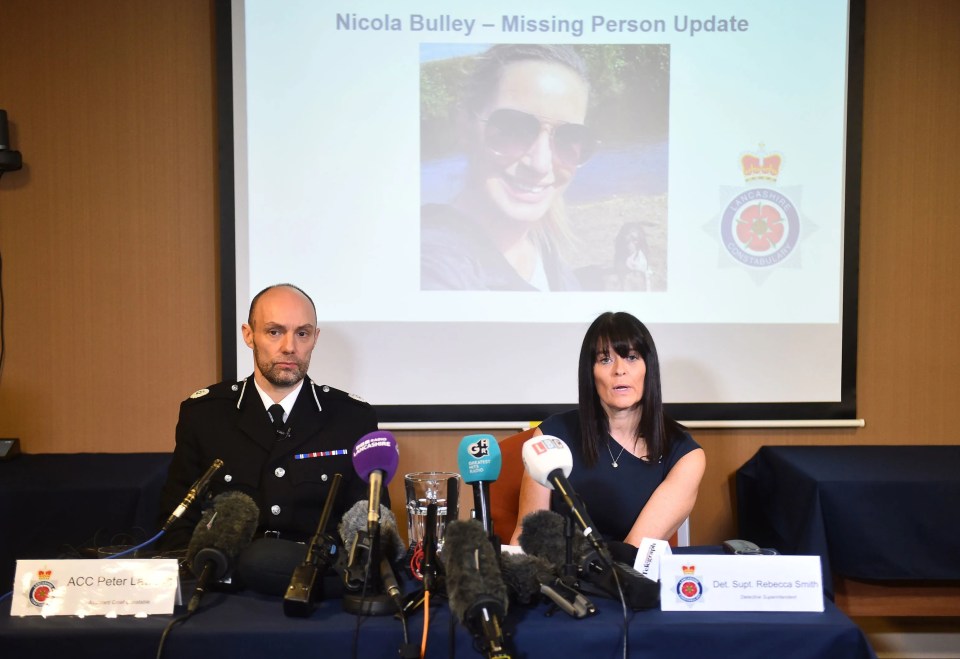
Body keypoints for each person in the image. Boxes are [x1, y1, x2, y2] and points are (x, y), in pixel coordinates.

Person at [157, 283, 387, 549]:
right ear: (249, 335)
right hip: (228, 582)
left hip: (317, 583)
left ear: (315, 338)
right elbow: (176, 525)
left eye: (302, 333)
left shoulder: (352, 420)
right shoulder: (205, 416)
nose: (290, 347)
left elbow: (370, 532)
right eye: (274, 332)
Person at [509, 311, 704, 548]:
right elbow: (527, 535)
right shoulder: (552, 437)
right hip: (557, 578)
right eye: (605, 360)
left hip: (628, 578)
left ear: (648, 369)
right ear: (590, 373)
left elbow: (634, 550)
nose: (620, 370)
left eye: (631, 357)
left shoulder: (684, 455)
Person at [421, 44, 597, 291]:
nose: (540, 164)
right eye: (512, 129)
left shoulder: (546, 254)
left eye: (569, 138)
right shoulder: (431, 268)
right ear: (465, 127)